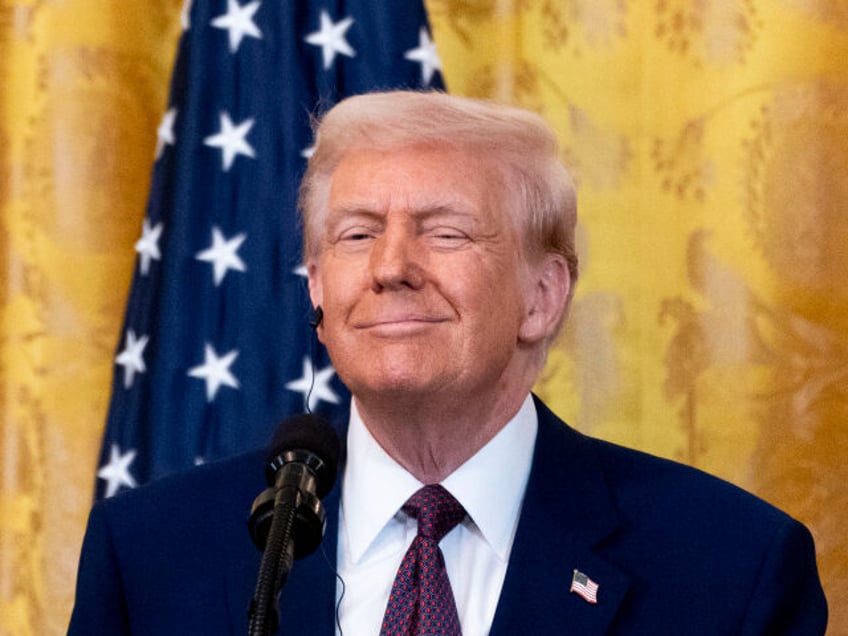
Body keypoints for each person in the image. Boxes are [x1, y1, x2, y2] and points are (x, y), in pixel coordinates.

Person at [69, 91, 827, 635]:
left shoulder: (732, 570)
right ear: (320, 295)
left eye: (446, 234)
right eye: (358, 235)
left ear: (542, 295)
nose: (391, 267)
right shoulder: (150, 557)